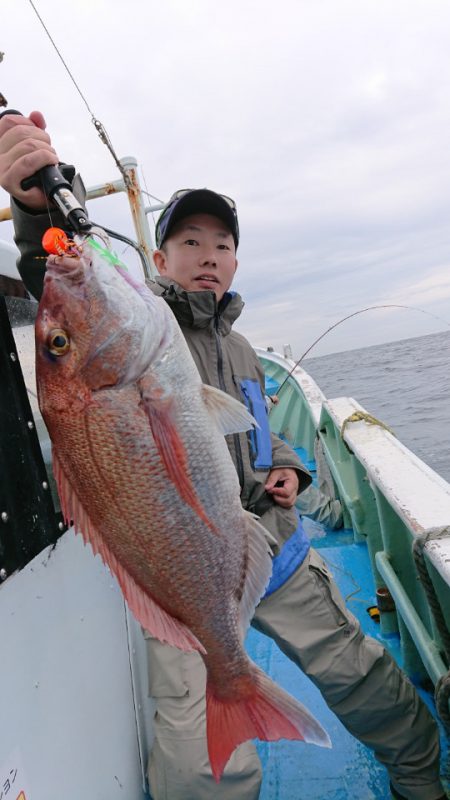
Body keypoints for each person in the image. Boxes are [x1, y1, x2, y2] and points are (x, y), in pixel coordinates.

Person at [0, 111, 445, 800]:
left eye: (222, 244)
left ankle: (423, 778)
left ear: (236, 260)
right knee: (197, 756)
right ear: (156, 262)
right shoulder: (147, 320)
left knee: (363, 676)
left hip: (275, 544)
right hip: (188, 577)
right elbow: (54, 276)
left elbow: (263, 428)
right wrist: (39, 208)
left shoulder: (240, 350)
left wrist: (291, 469)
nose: (207, 254)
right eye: (188, 240)